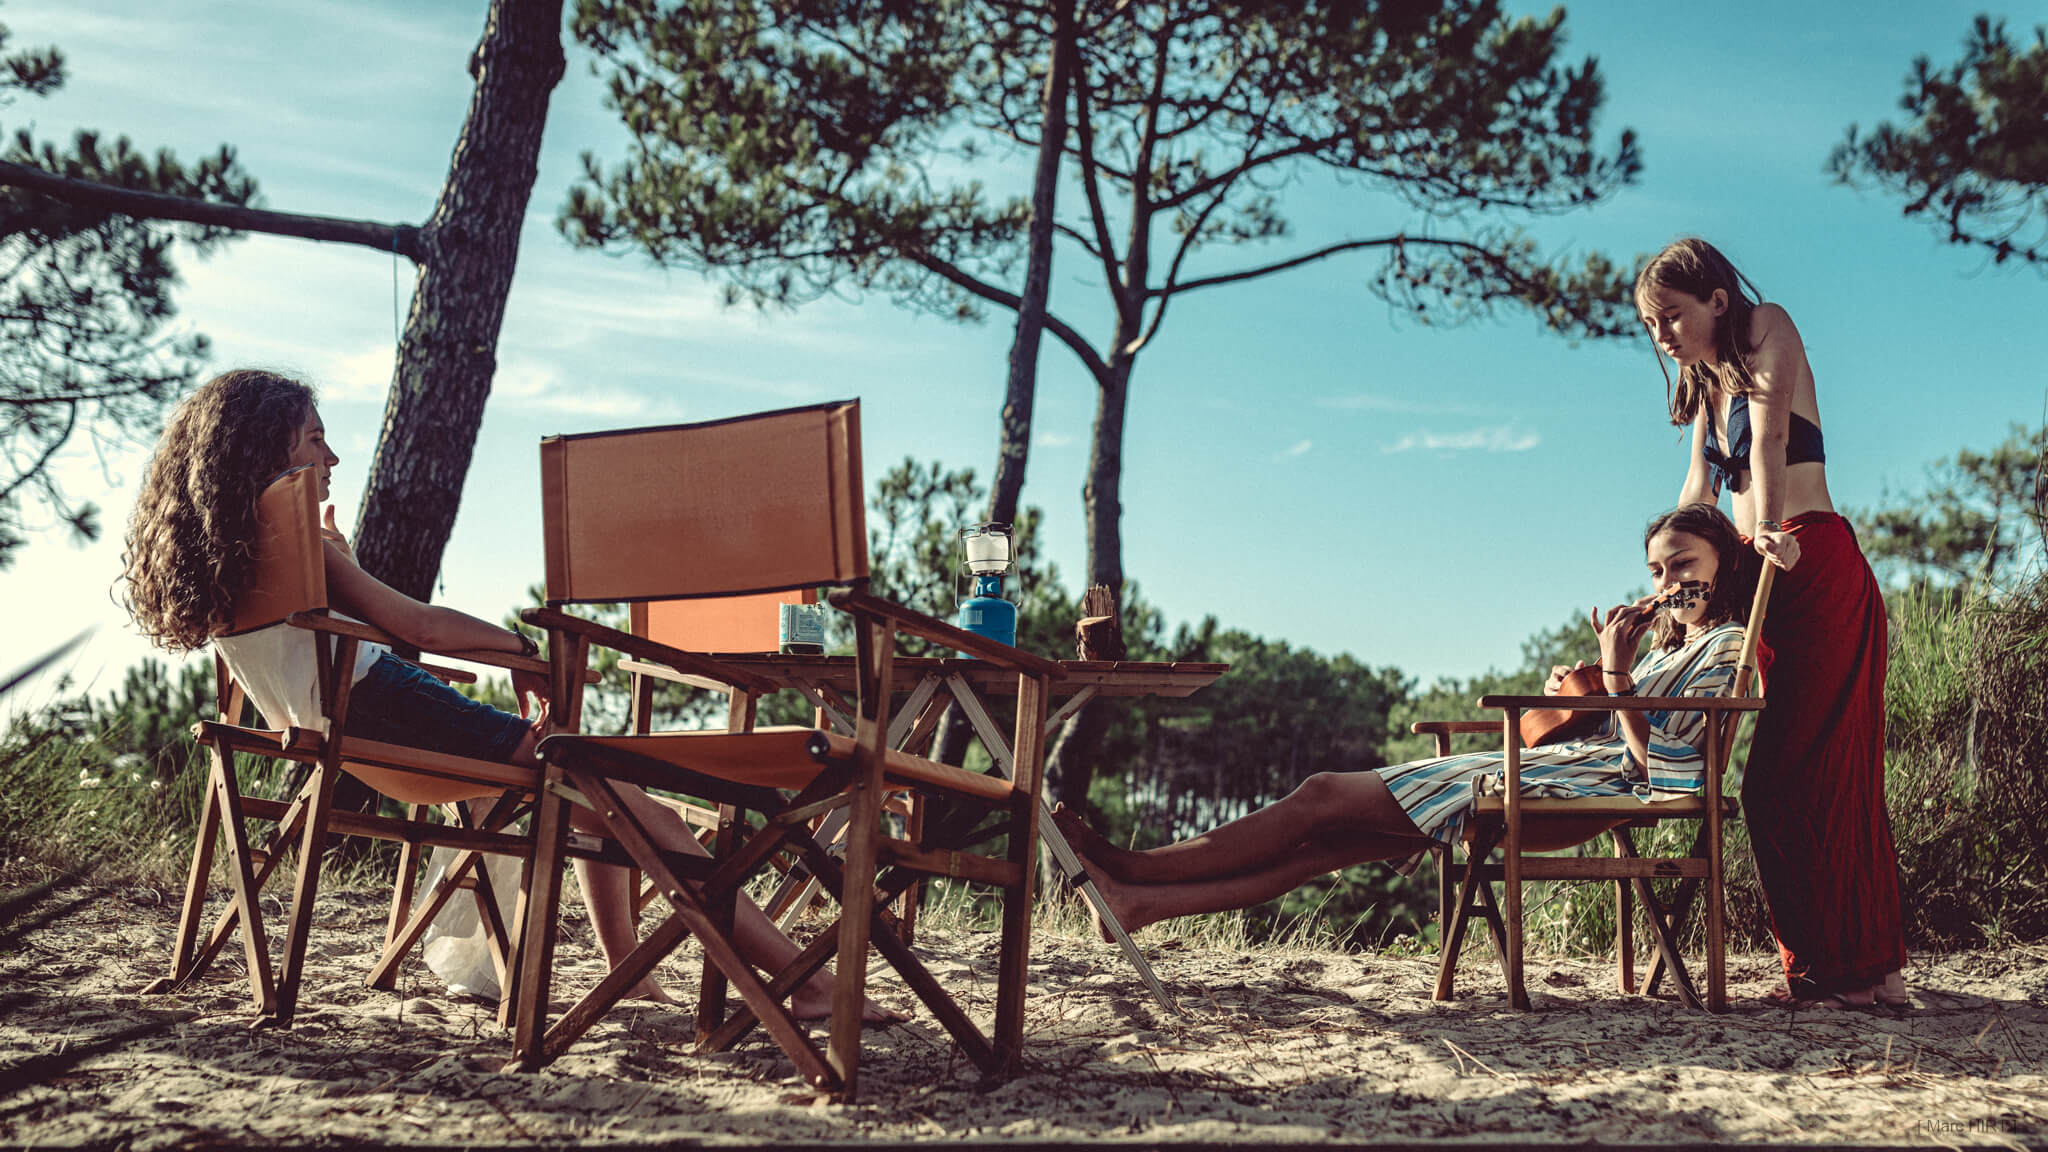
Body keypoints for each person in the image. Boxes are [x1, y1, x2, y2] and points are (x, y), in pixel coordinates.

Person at [122, 368, 896, 1021]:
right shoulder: (297, 540)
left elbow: (335, 646)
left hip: (337, 730)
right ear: (267, 451)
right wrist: (523, 649)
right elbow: (412, 623)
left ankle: (641, 971)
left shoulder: (223, 561)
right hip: (388, 710)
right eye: (313, 438)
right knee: (611, 787)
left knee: (595, 785)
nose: (332, 454)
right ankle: (805, 982)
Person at [1056, 503, 1755, 940]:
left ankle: (1132, 865)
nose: (1666, 587)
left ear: (1724, 565)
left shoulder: (1728, 649)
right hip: (1559, 772)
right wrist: (1586, 687)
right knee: (1318, 850)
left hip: (1581, 790)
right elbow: (1612, 727)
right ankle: (1136, 902)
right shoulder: (1675, 646)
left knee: (1323, 796)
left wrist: (1616, 677)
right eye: (1657, 572)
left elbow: (1665, 769)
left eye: (1682, 566)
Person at [1634, 237, 1906, 1009]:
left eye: (1671, 316)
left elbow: (1774, 440)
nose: (1662, 334)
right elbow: (1698, 494)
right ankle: (1845, 969)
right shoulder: (1703, 384)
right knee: (1782, 782)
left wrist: (1769, 534)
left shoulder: (1767, 330)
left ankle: (1856, 970)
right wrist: (1668, 589)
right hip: (1757, 574)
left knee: (1814, 772)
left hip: (1808, 561)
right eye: (1652, 324)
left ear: (1716, 301)